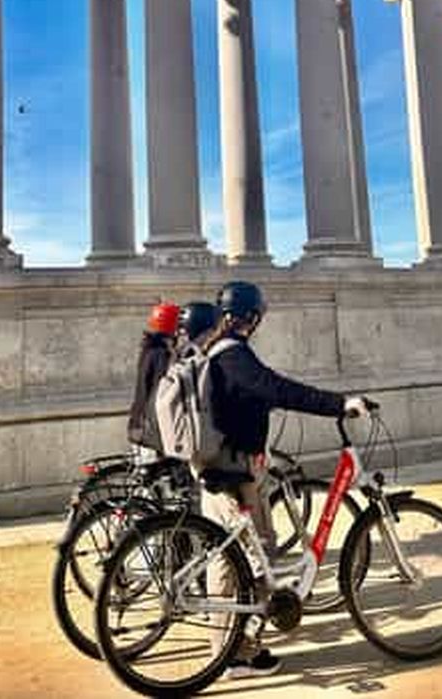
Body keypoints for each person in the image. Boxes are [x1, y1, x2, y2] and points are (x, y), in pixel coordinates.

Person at [202, 280, 370, 679]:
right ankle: (231, 655)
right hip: (233, 471)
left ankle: (240, 646)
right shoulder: (232, 356)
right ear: (253, 317)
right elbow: (276, 388)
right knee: (239, 560)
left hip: (233, 466)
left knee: (254, 552)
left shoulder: (217, 350)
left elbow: (263, 391)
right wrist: (337, 404)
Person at [127, 302, 181, 454]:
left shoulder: (149, 350)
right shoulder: (161, 355)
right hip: (151, 428)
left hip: (139, 422)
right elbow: (163, 390)